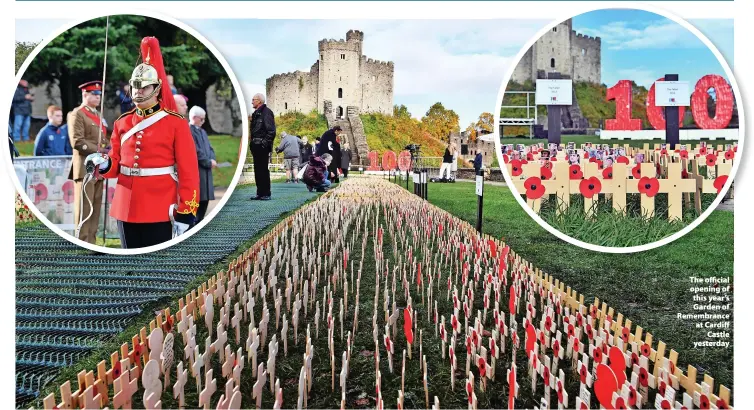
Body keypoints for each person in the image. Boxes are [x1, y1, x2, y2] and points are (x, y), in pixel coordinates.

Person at [85, 37, 200, 248]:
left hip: (160, 205)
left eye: (144, 87)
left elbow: (188, 170)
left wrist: (186, 211)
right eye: (135, 86)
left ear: (156, 89)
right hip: (125, 205)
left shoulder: (175, 123)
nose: (138, 91)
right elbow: (116, 163)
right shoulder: (122, 122)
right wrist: (104, 164)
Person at [67, 80, 109, 244]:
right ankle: (82, 241)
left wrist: (108, 148)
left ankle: (92, 242)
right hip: (85, 167)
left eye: (99, 94)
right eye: (95, 94)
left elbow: (102, 139)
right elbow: (77, 142)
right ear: (85, 94)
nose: (98, 97)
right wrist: (100, 150)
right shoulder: (77, 114)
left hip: (99, 167)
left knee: (96, 207)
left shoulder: (98, 115)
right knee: (85, 208)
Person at [189, 106, 216, 224]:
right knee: (198, 199)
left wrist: (212, 159)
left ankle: (200, 222)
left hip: (206, 170)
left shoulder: (202, 131)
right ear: (194, 118)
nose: (203, 121)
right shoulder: (189, 130)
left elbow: (210, 148)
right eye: (202, 119)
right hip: (198, 169)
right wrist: (207, 162)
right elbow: (195, 150)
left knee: (205, 200)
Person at [249, 93, 276, 200]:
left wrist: (264, 144)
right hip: (256, 145)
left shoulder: (266, 113)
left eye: (253, 99)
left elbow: (271, 131)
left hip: (261, 145)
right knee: (257, 170)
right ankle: (260, 193)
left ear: (259, 101)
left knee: (263, 170)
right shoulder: (256, 114)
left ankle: (265, 193)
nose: (252, 102)